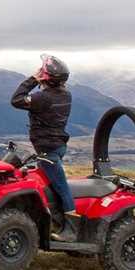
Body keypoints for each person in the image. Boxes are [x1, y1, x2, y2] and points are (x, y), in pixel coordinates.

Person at [10, 54, 78, 242]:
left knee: (61, 187)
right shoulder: (66, 95)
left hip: (48, 151)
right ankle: (53, 220)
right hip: (57, 146)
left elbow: (16, 100)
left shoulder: (43, 98)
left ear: (46, 77)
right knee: (52, 185)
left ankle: (71, 230)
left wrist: (33, 79)